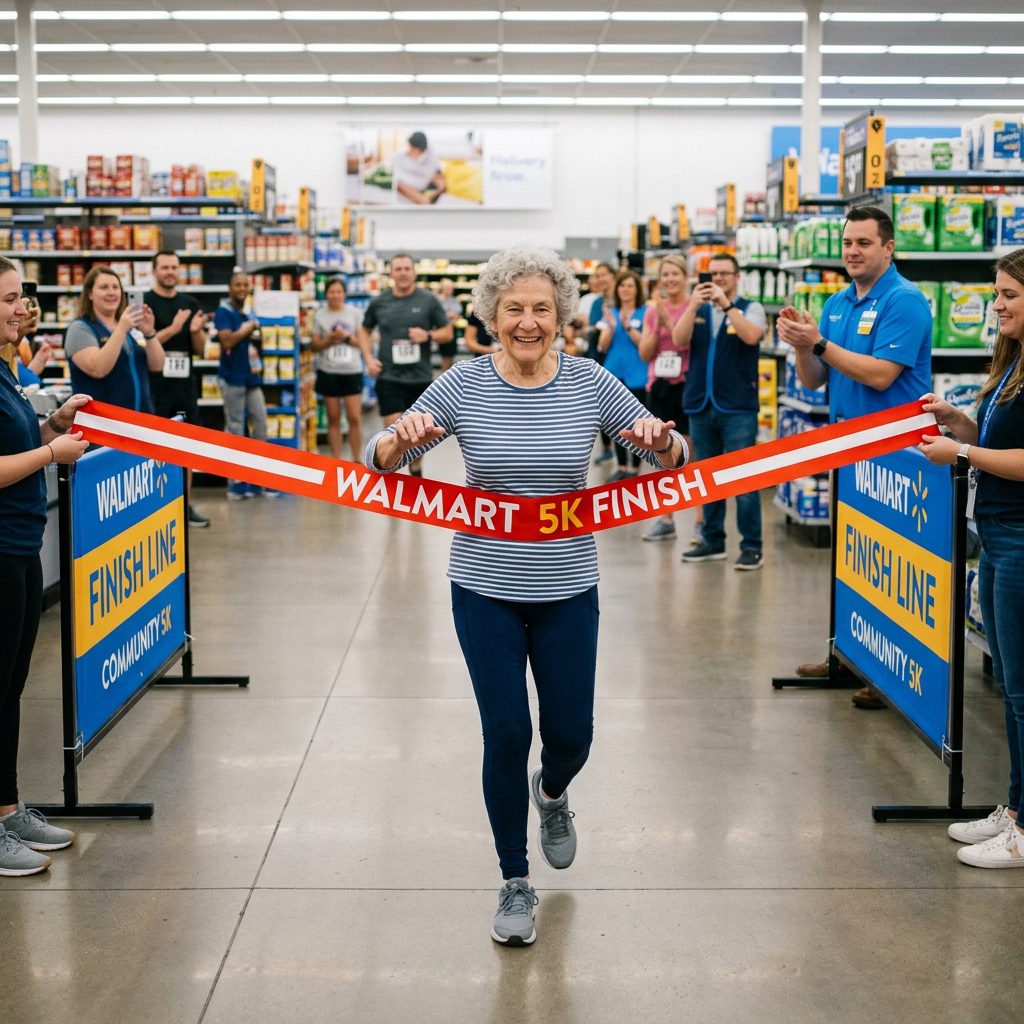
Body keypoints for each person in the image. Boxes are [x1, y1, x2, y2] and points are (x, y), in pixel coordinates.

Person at [366, 245, 687, 946]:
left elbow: (670, 454)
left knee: (572, 735)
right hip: (484, 586)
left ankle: (552, 792)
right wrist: (400, 442)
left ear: (562, 315)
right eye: (514, 309)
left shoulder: (590, 383)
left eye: (542, 308)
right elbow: (379, 454)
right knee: (507, 732)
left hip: (569, 585)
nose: (528, 321)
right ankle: (515, 881)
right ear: (491, 315)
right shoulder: (462, 385)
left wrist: (663, 443)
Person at [776, 206, 933, 707]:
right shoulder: (837, 303)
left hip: (896, 455)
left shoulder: (904, 301)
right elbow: (814, 380)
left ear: (888, 248)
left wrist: (818, 342)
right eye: (848, 242)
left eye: (864, 243)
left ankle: (888, 674)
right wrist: (803, 346)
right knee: (854, 560)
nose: (853, 251)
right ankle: (847, 655)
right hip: (850, 450)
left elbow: (882, 375)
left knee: (891, 565)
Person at [918, 250, 1024, 867]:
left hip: (1020, 539)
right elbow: (1001, 441)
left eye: (1010, 293)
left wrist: (962, 457)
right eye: (997, 293)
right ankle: (1013, 808)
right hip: (1000, 531)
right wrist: (962, 422)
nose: (998, 304)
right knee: (1012, 686)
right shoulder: (1012, 364)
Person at [0, 256, 90, 876]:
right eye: (7, 298)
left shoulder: (5, 371)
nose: (20, 307)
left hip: (21, 546)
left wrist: (51, 423)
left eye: (20, 296)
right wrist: (50, 452)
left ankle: (7, 810)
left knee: (9, 690)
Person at [674, 253, 767, 570]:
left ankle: (752, 546)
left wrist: (727, 306)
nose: (718, 279)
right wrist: (693, 306)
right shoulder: (697, 309)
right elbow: (678, 340)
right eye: (713, 274)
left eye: (725, 274)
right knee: (707, 478)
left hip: (737, 406)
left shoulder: (750, 307)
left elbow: (752, 336)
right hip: (701, 403)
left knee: (743, 479)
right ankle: (713, 540)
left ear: (737, 277)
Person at [355, 252, 452, 477]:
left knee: (418, 432)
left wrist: (427, 335)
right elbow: (363, 330)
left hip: (420, 378)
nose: (403, 273)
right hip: (389, 377)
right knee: (395, 430)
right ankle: (394, 477)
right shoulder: (380, 302)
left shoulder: (428, 300)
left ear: (414, 272)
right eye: (398, 269)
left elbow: (447, 333)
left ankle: (416, 470)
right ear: (390, 273)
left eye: (407, 269)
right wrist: (368, 358)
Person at [145, 250, 211, 528]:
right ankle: (154, 507)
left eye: (174, 267)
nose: (170, 272)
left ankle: (184, 506)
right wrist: (173, 329)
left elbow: (200, 349)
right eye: (165, 267)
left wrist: (196, 331)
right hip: (154, 386)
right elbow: (142, 344)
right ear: (154, 271)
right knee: (154, 447)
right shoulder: (146, 303)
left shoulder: (190, 302)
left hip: (184, 386)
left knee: (187, 447)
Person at [638, 253, 699, 542]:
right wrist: (659, 323)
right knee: (663, 454)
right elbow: (646, 353)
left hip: (686, 386)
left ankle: (700, 518)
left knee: (691, 453)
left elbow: (684, 343)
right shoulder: (653, 311)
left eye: (675, 273)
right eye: (665, 275)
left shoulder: (695, 307)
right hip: (660, 387)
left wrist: (670, 322)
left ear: (686, 276)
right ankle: (666, 517)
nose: (670, 279)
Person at [214, 272, 278, 499]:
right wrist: (248, 329)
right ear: (229, 288)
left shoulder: (248, 310)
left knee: (260, 424)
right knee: (235, 429)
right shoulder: (224, 312)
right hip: (232, 378)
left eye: (245, 285)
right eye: (237, 285)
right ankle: (236, 482)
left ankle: (261, 478)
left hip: (251, 377)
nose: (242, 289)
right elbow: (227, 340)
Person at [66, 266, 162, 413]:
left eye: (115, 287)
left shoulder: (130, 327)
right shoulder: (80, 328)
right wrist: (122, 328)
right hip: (102, 423)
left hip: (140, 421)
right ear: (90, 294)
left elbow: (157, 366)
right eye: (104, 287)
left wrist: (149, 333)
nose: (111, 292)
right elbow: (98, 369)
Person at [598, 269, 650, 482]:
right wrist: (611, 327)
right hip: (614, 374)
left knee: (638, 423)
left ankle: (635, 469)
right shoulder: (611, 312)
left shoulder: (646, 313)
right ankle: (620, 466)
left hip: (638, 374)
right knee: (615, 422)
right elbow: (603, 345)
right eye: (622, 285)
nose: (625, 289)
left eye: (630, 285)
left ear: (637, 289)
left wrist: (628, 326)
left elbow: (645, 344)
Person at [311, 276, 366, 462]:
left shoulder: (355, 314)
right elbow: (315, 345)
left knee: (354, 418)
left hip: (352, 370)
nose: (335, 295)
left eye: (339, 292)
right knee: (333, 419)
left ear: (345, 294)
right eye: (331, 292)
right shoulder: (319, 315)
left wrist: (347, 338)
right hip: (328, 371)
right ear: (326, 294)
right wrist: (330, 339)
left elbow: (364, 343)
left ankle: (356, 459)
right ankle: (336, 461)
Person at [586, 262, 618, 465]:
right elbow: (592, 327)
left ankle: (625, 455)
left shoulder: (621, 299)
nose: (600, 279)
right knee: (600, 405)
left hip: (616, 356)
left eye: (604, 275)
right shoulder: (597, 303)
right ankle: (607, 447)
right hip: (596, 356)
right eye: (597, 276)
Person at [393, 131, 446, 206]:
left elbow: (440, 180)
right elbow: (395, 179)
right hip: (404, 189)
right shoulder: (399, 156)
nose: (412, 151)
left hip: (424, 190)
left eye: (415, 150)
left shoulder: (430, 158)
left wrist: (437, 191)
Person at [436, 278, 463, 373]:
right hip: (443, 330)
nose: (449, 290)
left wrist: (454, 316)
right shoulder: (438, 300)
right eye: (447, 288)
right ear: (442, 288)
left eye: (450, 288)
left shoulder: (455, 300)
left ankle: (450, 374)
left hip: (453, 329)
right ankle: (444, 377)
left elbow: (459, 315)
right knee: (445, 356)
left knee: (451, 355)